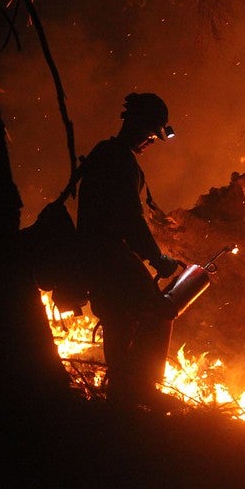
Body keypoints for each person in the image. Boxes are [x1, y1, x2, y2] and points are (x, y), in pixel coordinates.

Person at [76, 92, 181, 410]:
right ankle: (142, 389)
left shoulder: (104, 153)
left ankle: (122, 393)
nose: (152, 141)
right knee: (160, 312)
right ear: (139, 125)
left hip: (94, 257)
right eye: (152, 133)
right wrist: (158, 259)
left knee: (119, 320)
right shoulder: (120, 162)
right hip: (110, 255)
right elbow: (129, 220)